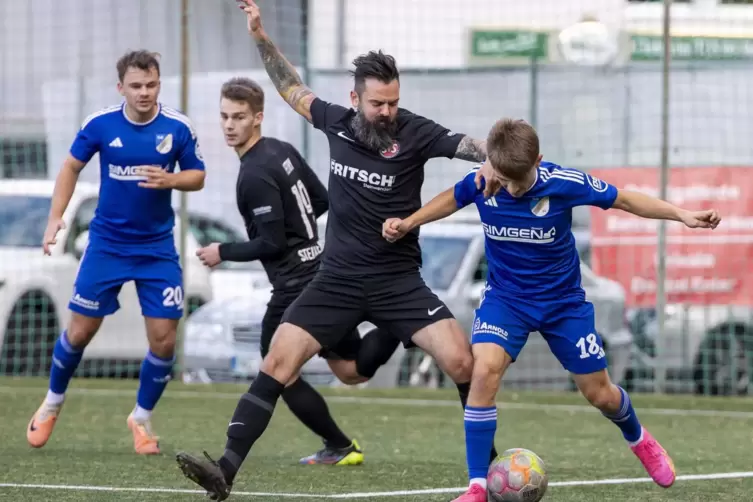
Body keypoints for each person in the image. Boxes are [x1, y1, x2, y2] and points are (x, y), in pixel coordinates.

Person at [172, 1, 496, 499]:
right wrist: (260, 36)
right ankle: (224, 471)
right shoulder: (335, 121)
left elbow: (471, 147)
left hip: (398, 282)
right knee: (278, 362)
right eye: (377, 104)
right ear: (355, 98)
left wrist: (504, 157)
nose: (387, 112)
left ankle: (491, 471)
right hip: (335, 281)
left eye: (392, 102)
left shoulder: (416, 131)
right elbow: (288, 87)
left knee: (461, 362)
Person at [382, 118, 722, 502]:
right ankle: (478, 486)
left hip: (563, 305)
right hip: (506, 300)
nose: (512, 188)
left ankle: (639, 438)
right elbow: (451, 198)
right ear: (492, 162)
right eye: (505, 178)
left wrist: (683, 215)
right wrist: (409, 223)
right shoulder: (483, 180)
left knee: (599, 394)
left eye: (520, 180)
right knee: (484, 374)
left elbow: (625, 199)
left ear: (539, 161)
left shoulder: (564, 183)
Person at [186, 77, 402, 468]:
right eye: (224, 116)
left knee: (277, 370)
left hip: (294, 286)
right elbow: (322, 201)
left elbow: (270, 244)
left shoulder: (254, 173)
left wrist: (223, 251)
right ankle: (397, 327)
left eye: (239, 116)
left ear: (258, 118)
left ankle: (335, 444)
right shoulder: (282, 151)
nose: (229, 125)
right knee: (351, 371)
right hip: (322, 268)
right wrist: (304, 237)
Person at [27, 50, 206, 455]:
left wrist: (171, 179)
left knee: (164, 340)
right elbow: (70, 166)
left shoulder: (177, 127)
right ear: (121, 87)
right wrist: (56, 217)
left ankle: (140, 419)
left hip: (157, 247)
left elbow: (198, 176)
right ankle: (52, 402)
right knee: (80, 332)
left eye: (152, 85)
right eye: (137, 86)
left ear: (159, 84)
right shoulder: (101, 124)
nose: (145, 93)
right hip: (107, 244)